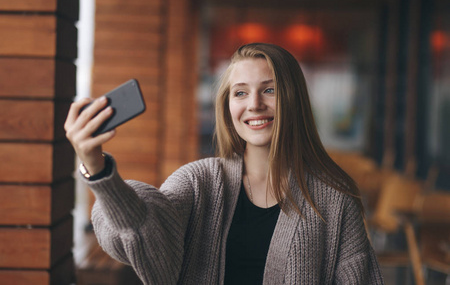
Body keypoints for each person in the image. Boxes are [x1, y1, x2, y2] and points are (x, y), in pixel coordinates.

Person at [65, 43, 384, 284]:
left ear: (293, 98)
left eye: (269, 90)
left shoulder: (336, 198)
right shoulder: (198, 182)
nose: (254, 104)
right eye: (240, 93)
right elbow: (150, 246)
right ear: (228, 106)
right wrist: (98, 170)